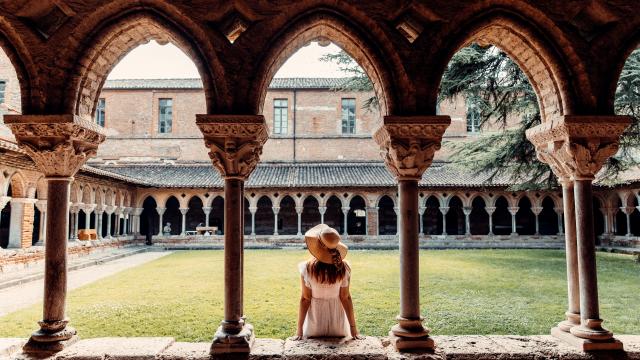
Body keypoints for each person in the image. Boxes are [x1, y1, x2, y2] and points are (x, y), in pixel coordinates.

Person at [295, 224, 363, 340]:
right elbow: (345, 298)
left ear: (318, 244)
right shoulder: (344, 268)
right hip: (338, 325)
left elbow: (305, 299)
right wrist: (353, 328)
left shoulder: (307, 268)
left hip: (314, 325)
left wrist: (299, 330)